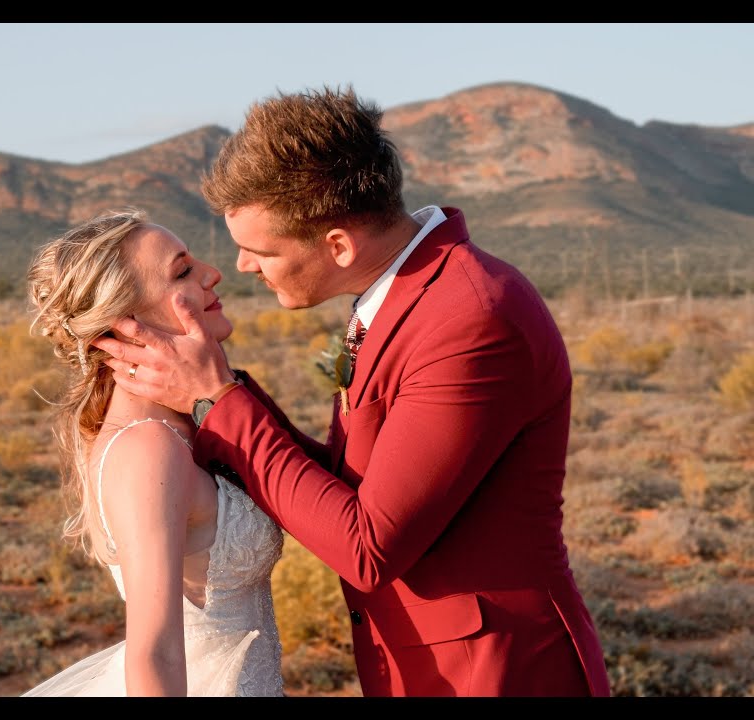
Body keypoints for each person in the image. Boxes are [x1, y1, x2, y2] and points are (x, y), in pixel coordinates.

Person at [90, 85, 612, 697]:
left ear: (338, 245)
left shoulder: (470, 318)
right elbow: (359, 483)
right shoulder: (403, 294)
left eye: (260, 249)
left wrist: (217, 401)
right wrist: (222, 396)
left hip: (496, 671)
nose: (242, 266)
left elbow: (367, 545)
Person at [19, 209, 285, 697]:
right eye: (182, 272)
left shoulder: (182, 421)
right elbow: (155, 651)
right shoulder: (149, 447)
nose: (212, 273)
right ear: (126, 323)